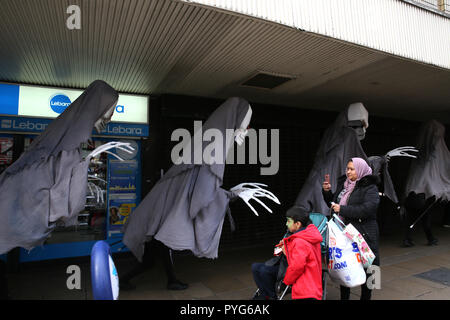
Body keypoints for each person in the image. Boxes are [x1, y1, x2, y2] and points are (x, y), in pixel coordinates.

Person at [322, 157, 380, 300]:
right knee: (345, 265)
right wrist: (327, 193)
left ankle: (366, 297)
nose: (348, 172)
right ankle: (344, 297)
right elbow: (335, 205)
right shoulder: (345, 185)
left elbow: (367, 209)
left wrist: (342, 209)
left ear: (360, 169)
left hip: (364, 233)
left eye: (352, 169)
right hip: (344, 233)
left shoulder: (370, 187)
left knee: (369, 267)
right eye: (347, 168)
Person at [251, 206, 323, 300]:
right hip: (309, 282)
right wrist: (282, 248)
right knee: (256, 267)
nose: (286, 224)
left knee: (264, 271)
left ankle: (271, 296)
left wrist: (287, 281)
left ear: (298, 224)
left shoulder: (300, 241)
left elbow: (297, 266)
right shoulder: (306, 233)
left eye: (288, 221)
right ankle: (266, 295)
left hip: (304, 285)